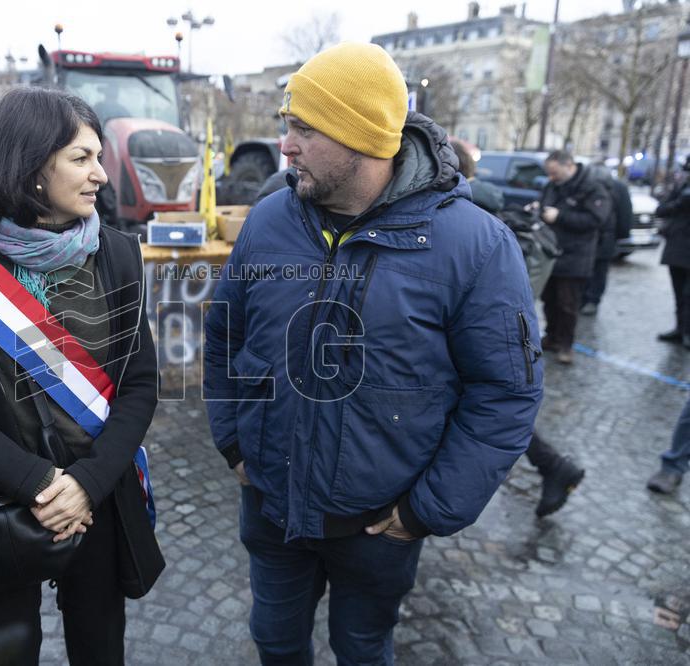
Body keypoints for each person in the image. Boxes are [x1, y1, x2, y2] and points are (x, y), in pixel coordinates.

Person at [203, 42, 542, 665]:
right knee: (275, 642)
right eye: (287, 125)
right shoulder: (271, 217)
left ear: (360, 137)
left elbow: (505, 393)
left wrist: (425, 510)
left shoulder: (475, 245)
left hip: (379, 528)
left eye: (304, 128)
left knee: (363, 651)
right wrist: (232, 443)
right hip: (272, 509)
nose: (285, 145)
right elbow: (223, 331)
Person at [0, 88, 162, 665]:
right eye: (81, 158)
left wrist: (87, 483)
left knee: (100, 651)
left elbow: (140, 381)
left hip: (97, 497)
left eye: (100, 157)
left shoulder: (118, 254)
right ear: (30, 164)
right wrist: (42, 483)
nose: (100, 174)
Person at [452, 142, 584, 518]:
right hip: (490, 322)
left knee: (485, 405)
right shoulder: (487, 200)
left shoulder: (465, 207)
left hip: (472, 324)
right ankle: (553, 466)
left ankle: (554, 466)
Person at [532, 150, 612, 364]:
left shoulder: (593, 188)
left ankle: (566, 345)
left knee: (568, 304)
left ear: (569, 166)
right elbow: (544, 204)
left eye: (555, 173)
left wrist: (560, 216)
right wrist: (537, 209)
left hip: (576, 255)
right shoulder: (553, 185)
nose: (552, 177)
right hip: (550, 252)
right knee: (549, 299)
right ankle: (552, 337)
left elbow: (597, 219)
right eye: (549, 173)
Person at [581, 166, 633, 316]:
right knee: (598, 271)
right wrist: (621, 236)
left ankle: (589, 299)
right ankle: (591, 299)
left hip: (601, 237)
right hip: (604, 237)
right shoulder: (618, 187)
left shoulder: (611, 188)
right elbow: (625, 215)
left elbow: (624, 214)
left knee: (596, 270)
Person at [656, 156, 690, 348]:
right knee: (679, 292)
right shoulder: (681, 189)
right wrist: (680, 203)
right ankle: (680, 328)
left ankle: (687, 331)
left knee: (688, 294)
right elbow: (661, 209)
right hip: (677, 248)